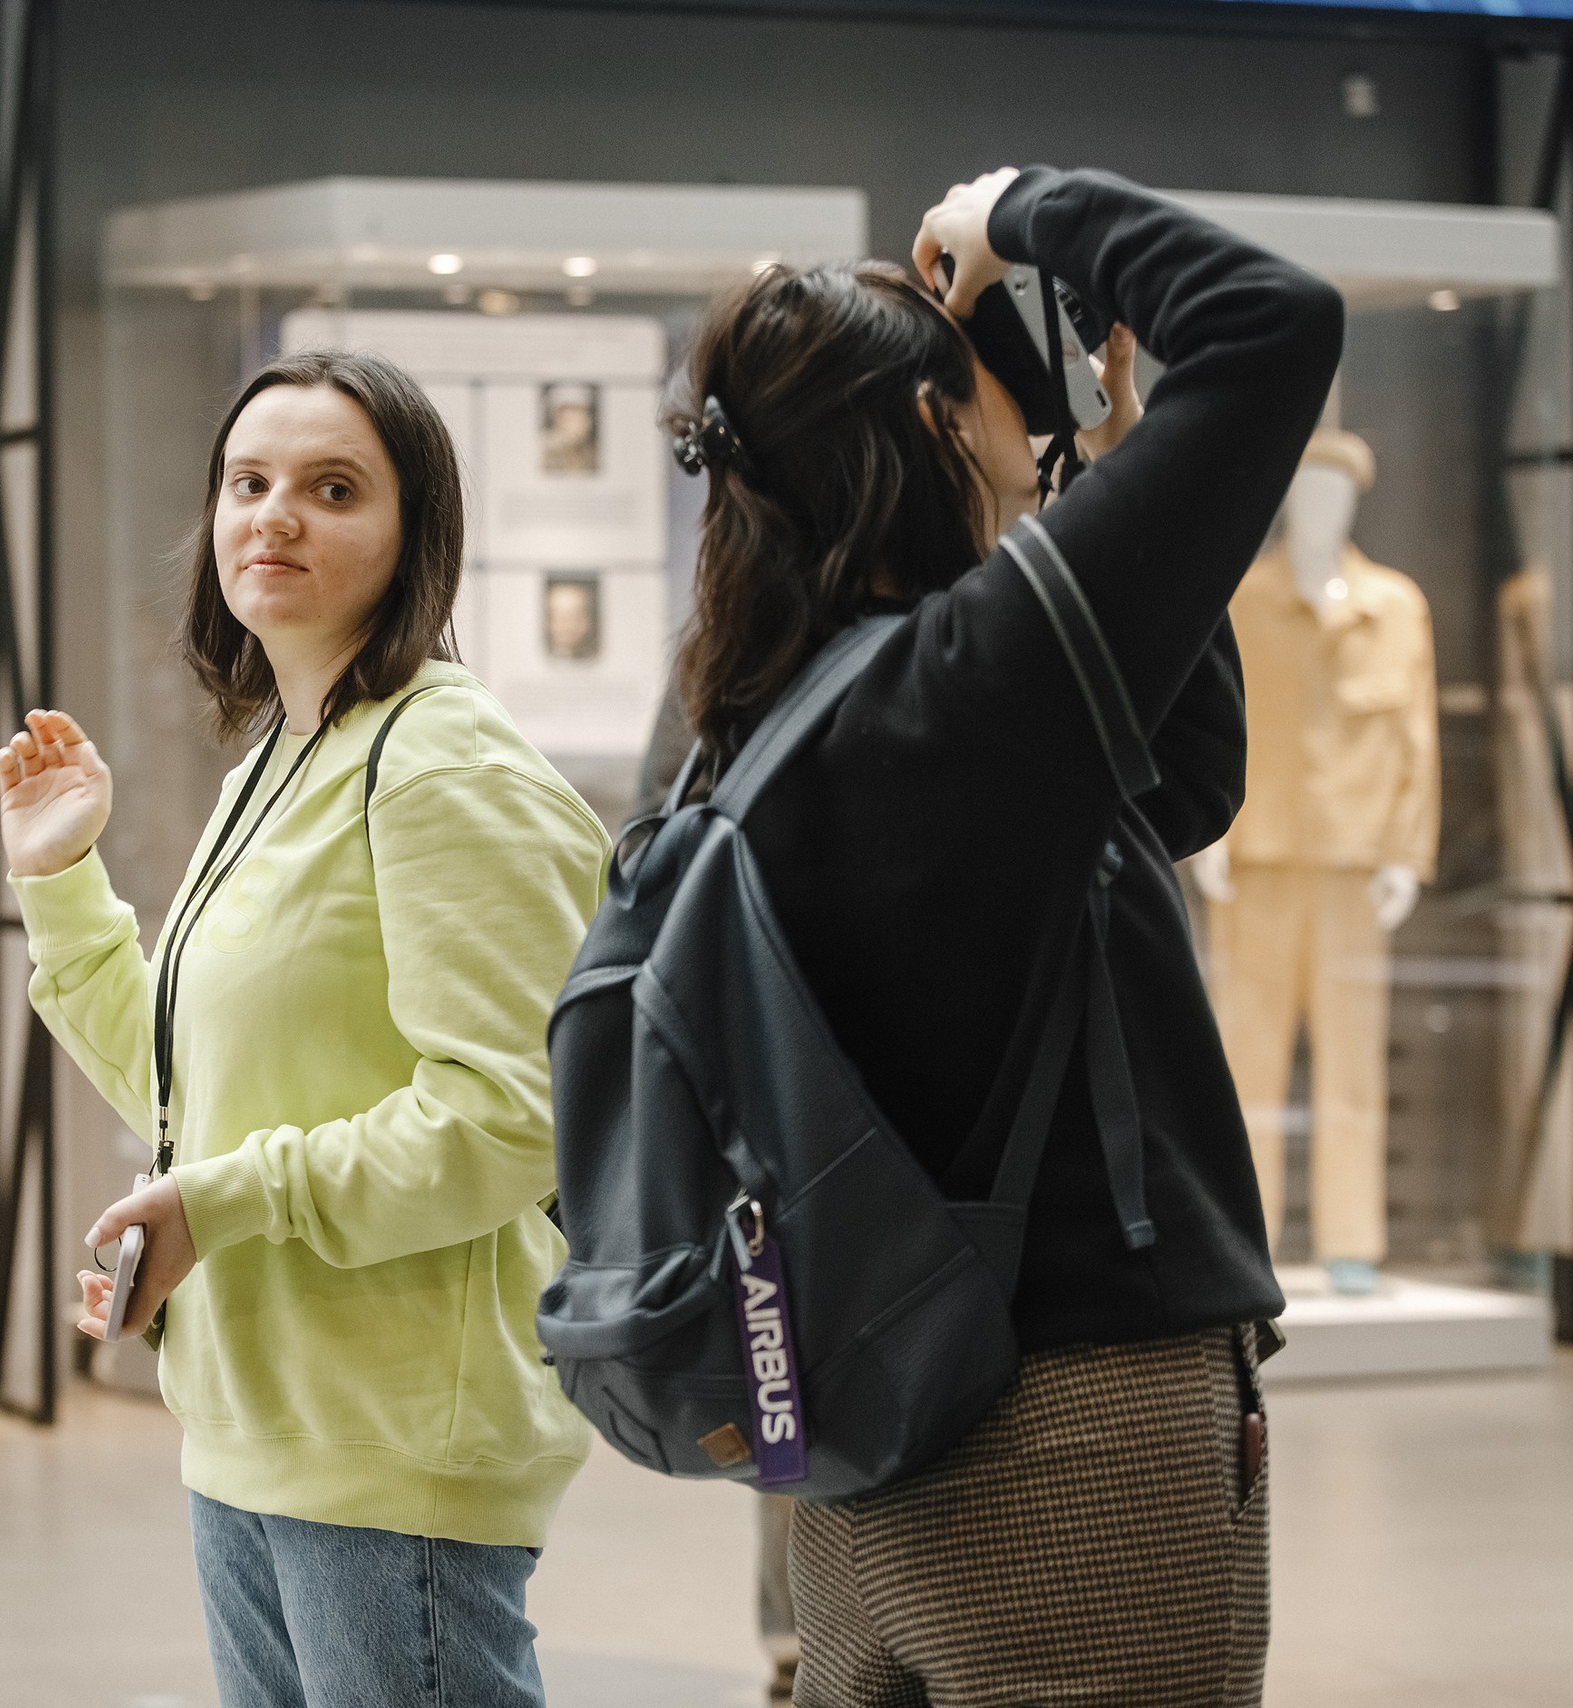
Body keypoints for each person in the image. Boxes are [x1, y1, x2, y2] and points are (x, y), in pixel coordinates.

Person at [660, 168, 1338, 1705]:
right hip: (1082, 1447)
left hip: (862, 1444)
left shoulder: (757, 725)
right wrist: (1026, 205)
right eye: (982, 387)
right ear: (924, 430)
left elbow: (1185, 785)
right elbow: (1275, 325)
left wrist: (1087, 460)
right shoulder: (973, 687)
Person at [0, 348, 606, 1708]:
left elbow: (515, 1121)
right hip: (253, 1426)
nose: (274, 516)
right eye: (248, 482)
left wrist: (228, 1202)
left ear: (413, 538)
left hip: (392, 1448)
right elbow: (184, 1085)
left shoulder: (445, 765)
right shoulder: (287, 752)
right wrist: (58, 881)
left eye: (333, 489)